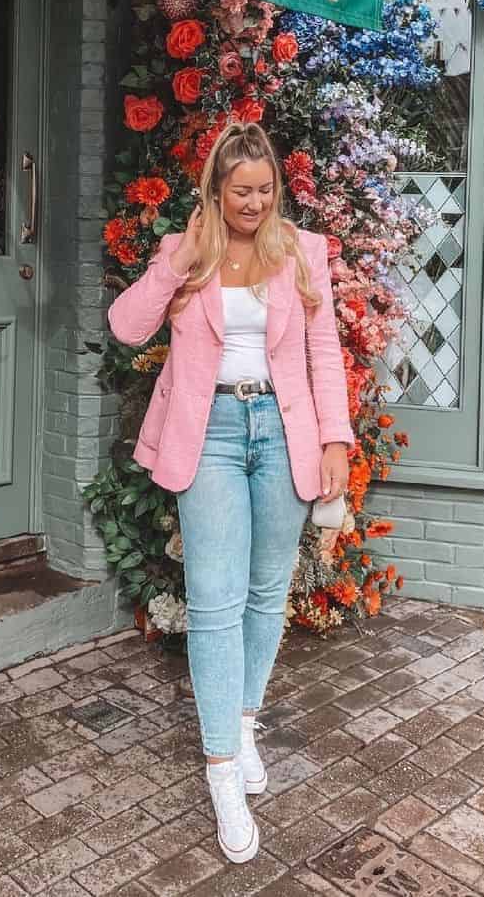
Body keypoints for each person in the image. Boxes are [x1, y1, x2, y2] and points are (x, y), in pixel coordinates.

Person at [107, 122, 353, 864]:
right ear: (216, 188)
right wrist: (179, 259)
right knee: (213, 601)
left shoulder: (302, 251)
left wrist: (336, 440)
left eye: (265, 190)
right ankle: (221, 771)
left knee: (266, 589)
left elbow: (321, 351)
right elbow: (125, 328)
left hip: (284, 432)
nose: (254, 203)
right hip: (207, 429)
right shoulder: (188, 253)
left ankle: (245, 723)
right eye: (241, 190)